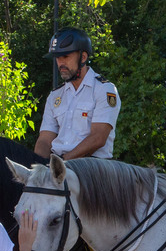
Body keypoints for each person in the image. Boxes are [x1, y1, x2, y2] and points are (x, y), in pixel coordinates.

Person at [34, 27, 120, 161]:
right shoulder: (55, 96)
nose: (60, 63)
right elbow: (44, 140)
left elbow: (98, 138)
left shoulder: (104, 89)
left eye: (66, 56)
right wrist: (38, 164)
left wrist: (63, 161)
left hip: (92, 167)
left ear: (83, 57)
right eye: (57, 58)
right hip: (58, 165)